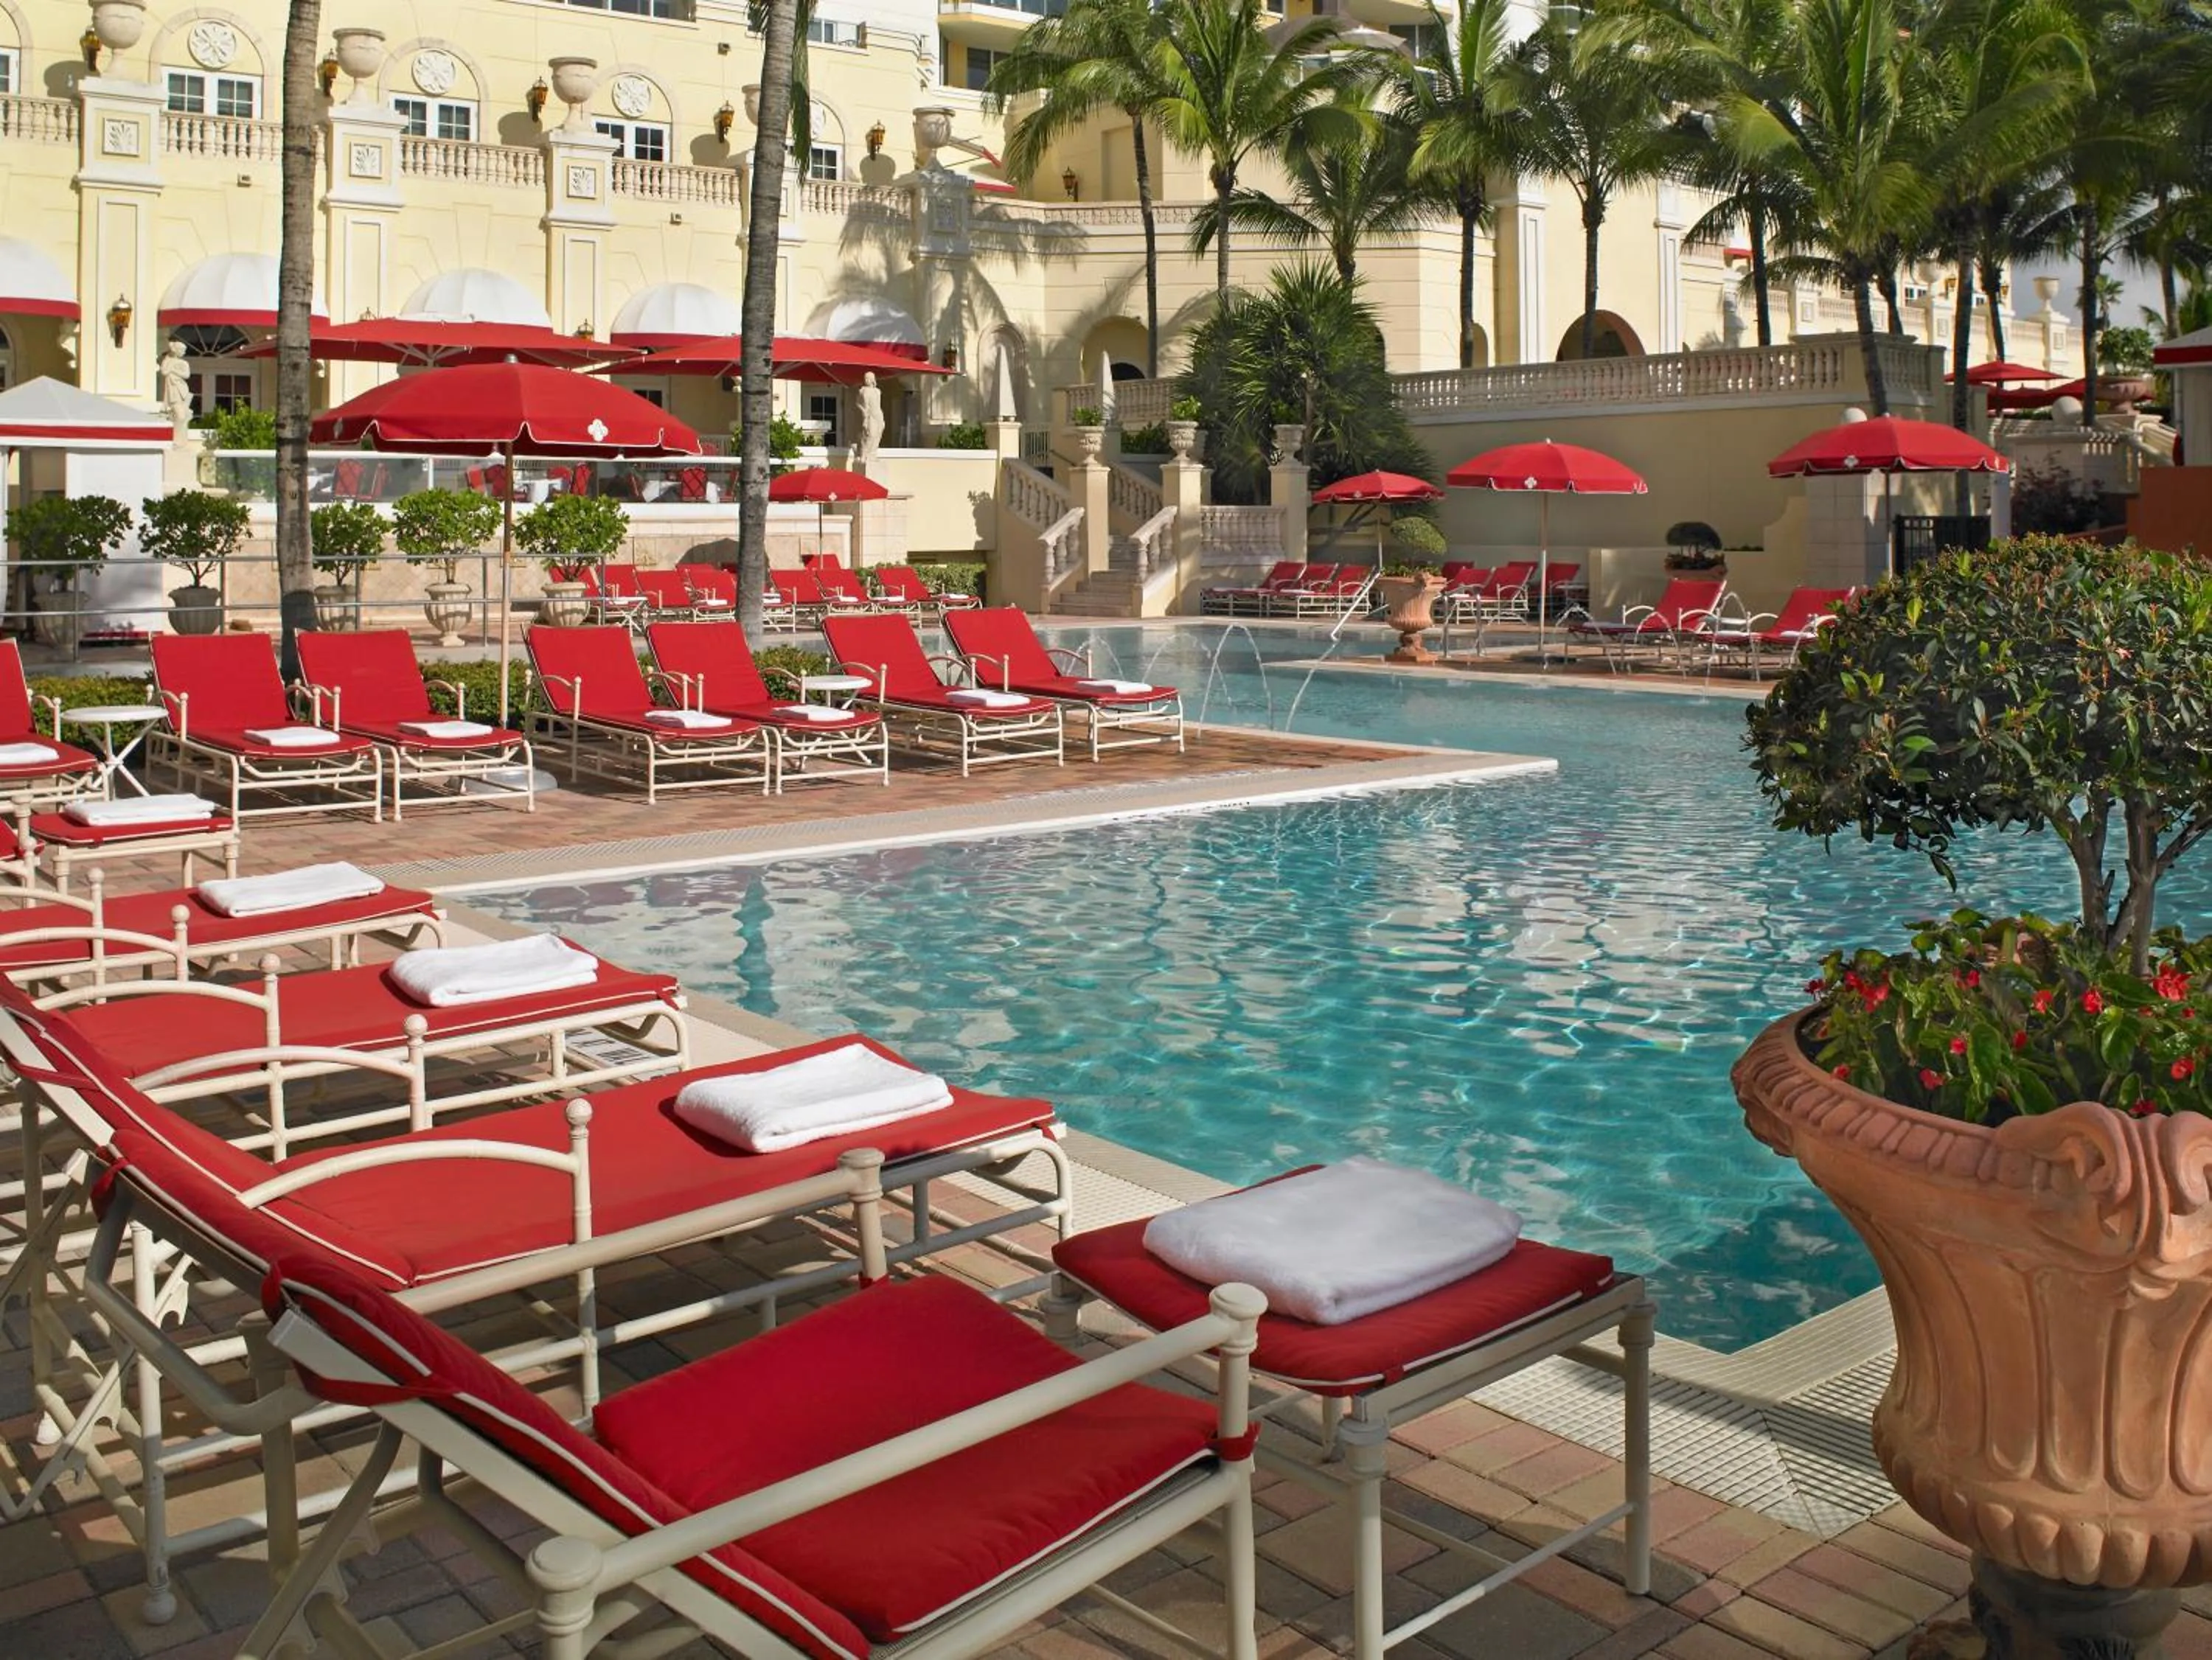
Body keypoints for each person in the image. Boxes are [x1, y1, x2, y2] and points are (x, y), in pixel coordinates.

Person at [157, 339, 193, 429]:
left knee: (182, 415)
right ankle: (176, 433)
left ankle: (178, 435)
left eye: (184, 351)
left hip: (181, 388)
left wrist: (173, 370)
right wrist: (170, 362)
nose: (184, 353)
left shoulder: (184, 363)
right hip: (172, 390)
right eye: (182, 350)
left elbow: (187, 375)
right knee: (180, 415)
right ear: (175, 350)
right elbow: (164, 372)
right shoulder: (167, 361)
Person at [854, 371, 884, 470]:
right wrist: (863, 411)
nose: (866, 380)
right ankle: (864, 454)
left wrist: (881, 419)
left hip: (878, 414)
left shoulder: (877, 391)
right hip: (868, 414)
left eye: (868, 378)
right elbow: (858, 403)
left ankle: (872, 454)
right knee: (869, 434)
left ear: (872, 380)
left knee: (878, 434)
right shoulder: (862, 390)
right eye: (865, 378)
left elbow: (878, 405)